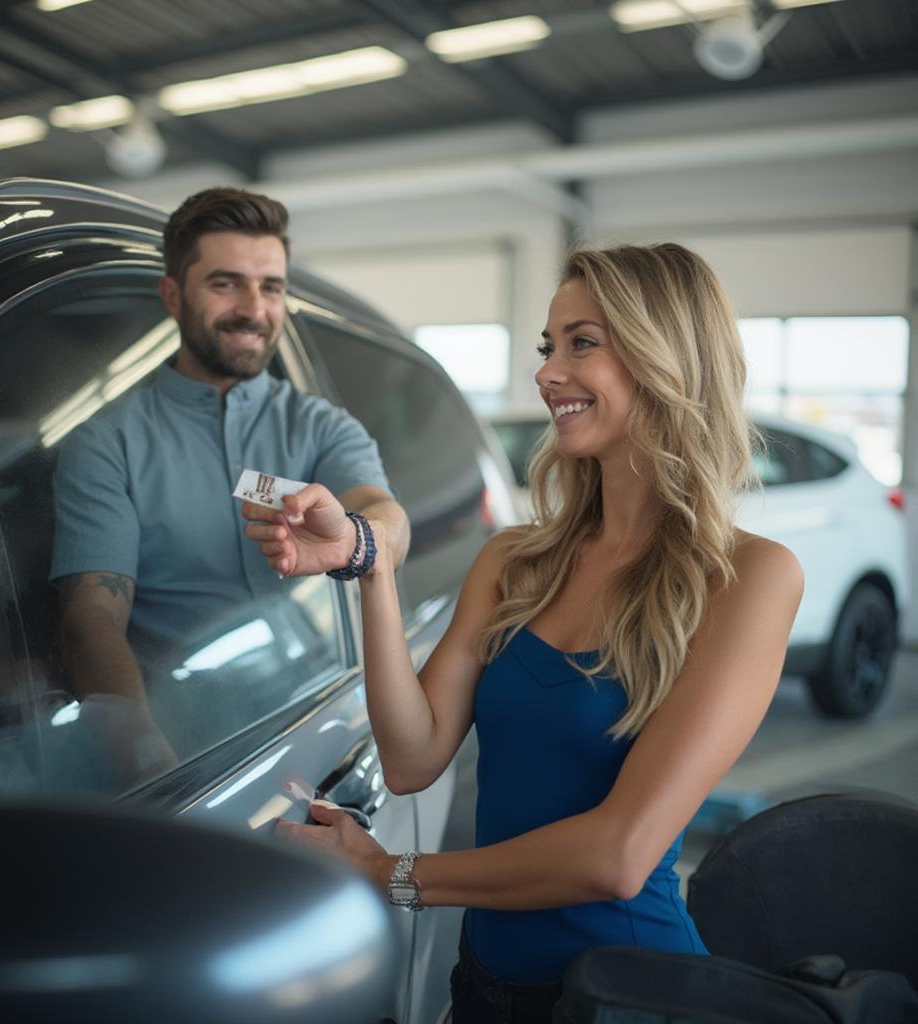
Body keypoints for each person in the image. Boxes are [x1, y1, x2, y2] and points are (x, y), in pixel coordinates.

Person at [247, 242, 804, 1023]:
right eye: (550, 346)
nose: (546, 373)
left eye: (583, 343)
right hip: (483, 986)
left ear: (665, 357)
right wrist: (368, 569)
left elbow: (619, 856)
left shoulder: (749, 577)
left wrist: (395, 875)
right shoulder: (516, 559)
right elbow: (412, 758)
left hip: (629, 994)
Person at [50, 186, 409, 782]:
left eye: (270, 287)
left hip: (326, 720)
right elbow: (91, 618)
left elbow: (385, 517)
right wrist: (145, 758)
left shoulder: (320, 426)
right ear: (173, 294)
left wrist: (355, 540)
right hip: (191, 749)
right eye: (226, 283)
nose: (253, 307)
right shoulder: (108, 442)